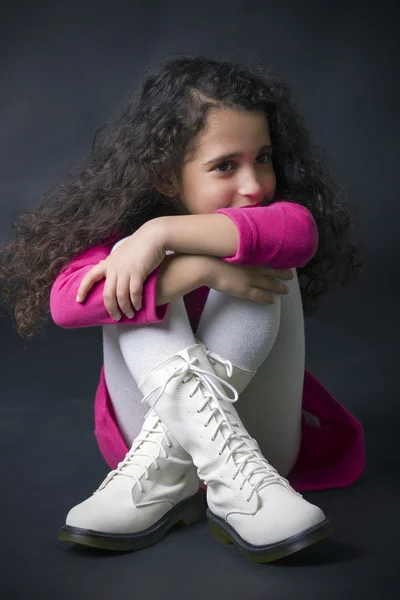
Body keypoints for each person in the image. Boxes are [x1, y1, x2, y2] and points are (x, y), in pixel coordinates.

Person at [0, 54, 365, 563]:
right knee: (124, 280)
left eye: (262, 157)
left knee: (264, 260)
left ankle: (239, 475)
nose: (254, 186)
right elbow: (67, 304)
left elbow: (297, 235)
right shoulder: (120, 234)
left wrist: (162, 234)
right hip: (145, 447)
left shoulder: (272, 215)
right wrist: (196, 269)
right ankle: (216, 485)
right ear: (167, 177)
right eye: (224, 166)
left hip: (262, 441)